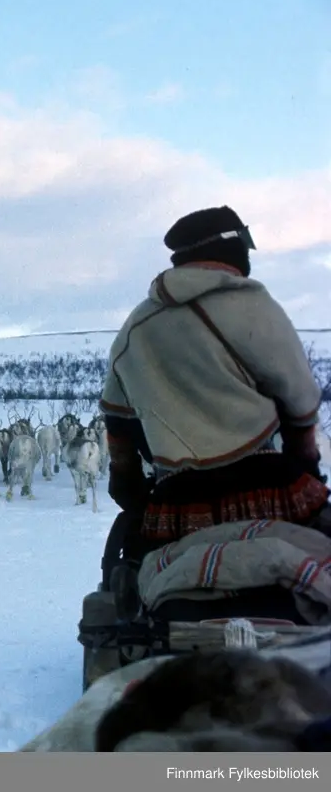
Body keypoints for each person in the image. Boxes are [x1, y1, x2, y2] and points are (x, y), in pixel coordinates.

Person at [98, 205, 330, 569]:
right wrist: (308, 469)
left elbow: (118, 423)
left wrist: (128, 487)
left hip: (177, 505)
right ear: (230, 248)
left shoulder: (135, 327)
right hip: (271, 490)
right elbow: (300, 406)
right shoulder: (255, 307)